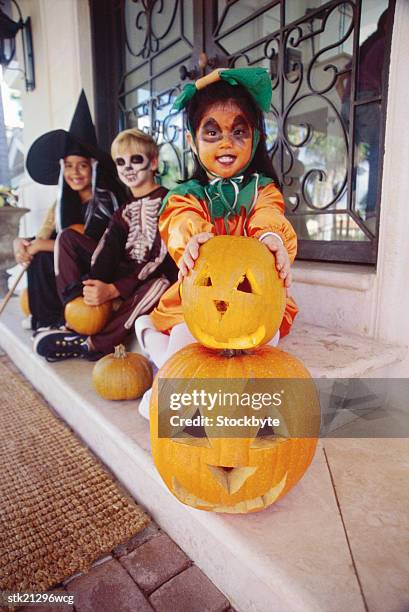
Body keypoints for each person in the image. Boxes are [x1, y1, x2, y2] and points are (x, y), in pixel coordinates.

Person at [134, 67, 298, 417]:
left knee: (264, 341)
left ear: (254, 139)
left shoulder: (263, 191)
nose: (226, 143)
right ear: (193, 142)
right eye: (213, 132)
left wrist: (271, 238)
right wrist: (192, 239)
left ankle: (153, 343)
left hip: (249, 295)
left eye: (238, 132)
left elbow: (270, 216)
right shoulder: (186, 196)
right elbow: (179, 220)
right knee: (187, 343)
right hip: (200, 297)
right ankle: (163, 369)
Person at [33, 128, 178, 362]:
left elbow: (158, 259)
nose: (128, 168)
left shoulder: (170, 201)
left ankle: (92, 344)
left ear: (153, 163)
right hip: (125, 274)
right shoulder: (123, 211)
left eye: (136, 160)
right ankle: (76, 316)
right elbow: (107, 250)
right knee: (67, 238)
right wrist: (94, 285)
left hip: (154, 281)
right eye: (121, 162)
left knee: (158, 284)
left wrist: (114, 289)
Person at [15, 91, 124, 331]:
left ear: (93, 168)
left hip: (103, 266)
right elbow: (51, 237)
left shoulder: (106, 198)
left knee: (51, 246)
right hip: (74, 266)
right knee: (41, 254)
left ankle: (73, 317)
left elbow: (86, 243)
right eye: (69, 166)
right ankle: (48, 318)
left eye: (82, 166)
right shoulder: (66, 202)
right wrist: (24, 243)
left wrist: (42, 244)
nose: (75, 173)